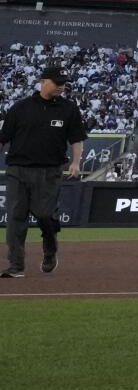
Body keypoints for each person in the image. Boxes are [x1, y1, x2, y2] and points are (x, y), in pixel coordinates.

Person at [2, 67, 87, 278]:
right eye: (57, 82)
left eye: (63, 83)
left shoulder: (69, 109)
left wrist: (76, 162)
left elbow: (76, 139)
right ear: (43, 81)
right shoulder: (20, 108)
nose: (61, 86)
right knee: (15, 218)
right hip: (17, 170)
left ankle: (50, 246)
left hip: (49, 171)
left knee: (45, 215)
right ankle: (16, 266)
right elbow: (3, 138)